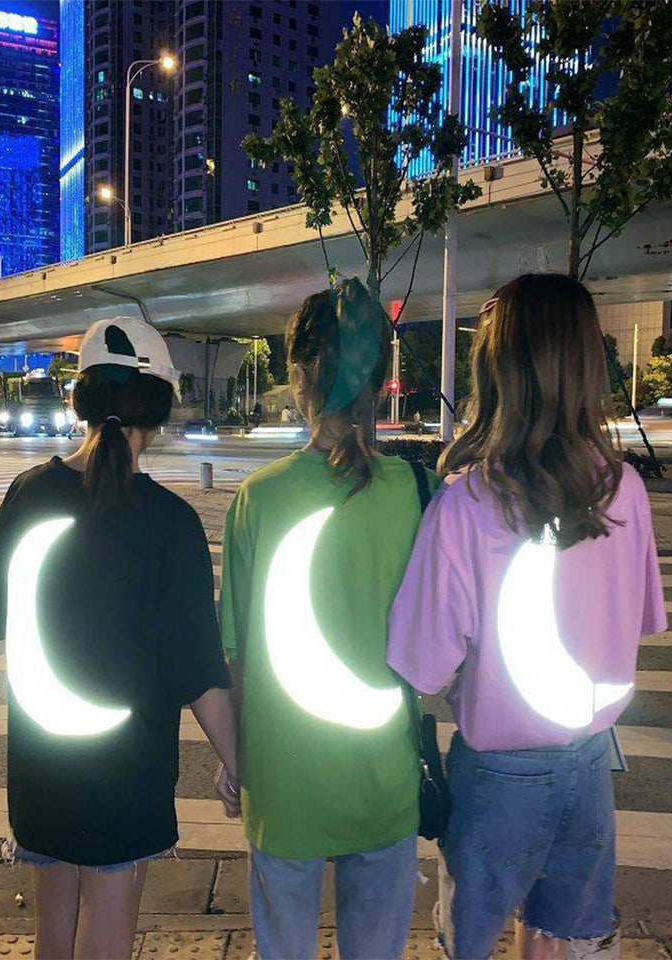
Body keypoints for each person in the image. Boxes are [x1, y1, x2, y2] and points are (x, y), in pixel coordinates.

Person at [388, 274, 667, 960]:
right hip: (591, 763)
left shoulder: (466, 504)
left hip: (498, 774)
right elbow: (637, 619)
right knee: (559, 932)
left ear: (496, 371)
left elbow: (422, 662)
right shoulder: (626, 489)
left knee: (470, 937)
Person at [0, 316, 240, 960]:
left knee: (54, 929)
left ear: (81, 400)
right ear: (160, 408)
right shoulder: (170, 522)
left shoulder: (29, 492)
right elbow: (197, 667)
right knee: (109, 930)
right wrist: (239, 762)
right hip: (127, 771)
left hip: (42, 768)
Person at [220, 278, 438, 960]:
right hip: (383, 780)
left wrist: (234, 760)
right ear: (377, 383)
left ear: (298, 379)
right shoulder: (415, 492)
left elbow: (235, 653)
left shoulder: (257, 498)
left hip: (283, 781)